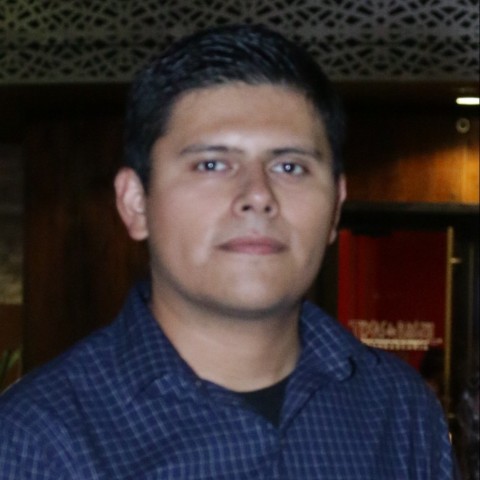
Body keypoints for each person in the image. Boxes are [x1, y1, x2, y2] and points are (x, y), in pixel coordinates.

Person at [0, 24, 457, 479]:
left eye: (290, 167)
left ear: (336, 207)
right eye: (212, 164)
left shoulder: (400, 412)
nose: (258, 195)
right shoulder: (37, 440)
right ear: (135, 203)